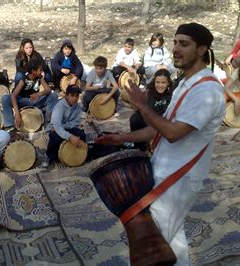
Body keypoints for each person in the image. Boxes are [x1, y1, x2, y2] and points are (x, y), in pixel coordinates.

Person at [96, 23, 226, 264]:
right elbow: (157, 129)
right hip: (166, 172)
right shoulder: (186, 84)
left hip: (179, 178)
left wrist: (142, 106)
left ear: (202, 49)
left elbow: (173, 133)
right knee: (171, 240)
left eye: (184, 44)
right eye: (175, 42)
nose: (176, 49)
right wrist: (120, 137)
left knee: (152, 248)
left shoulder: (208, 91)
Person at [1, 59, 58, 130]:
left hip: (35, 101)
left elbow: (48, 90)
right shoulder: (23, 79)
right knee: (5, 98)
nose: (41, 72)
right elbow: (13, 95)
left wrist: (38, 94)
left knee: (54, 95)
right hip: (22, 101)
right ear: (33, 71)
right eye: (39, 70)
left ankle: (48, 122)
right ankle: (10, 126)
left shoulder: (39, 77)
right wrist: (17, 113)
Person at [129, 68, 173, 151]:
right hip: (150, 118)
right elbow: (147, 110)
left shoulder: (171, 94)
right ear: (154, 82)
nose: (160, 85)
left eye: (163, 82)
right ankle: (139, 147)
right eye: (158, 82)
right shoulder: (150, 92)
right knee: (135, 118)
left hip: (163, 121)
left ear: (168, 83)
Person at [43, 85, 86, 168]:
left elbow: (75, 123)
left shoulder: (78, 106)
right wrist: (70, 137)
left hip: (64, 127)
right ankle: (48, 157)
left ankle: (77, 154)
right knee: (56, 138)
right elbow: (57, 126)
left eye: (77, 96)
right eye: (72, 95)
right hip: (54, 128)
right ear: (66, 96)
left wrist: (64, 126)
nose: (75, 98)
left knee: (82, 135)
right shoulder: (60, 106)